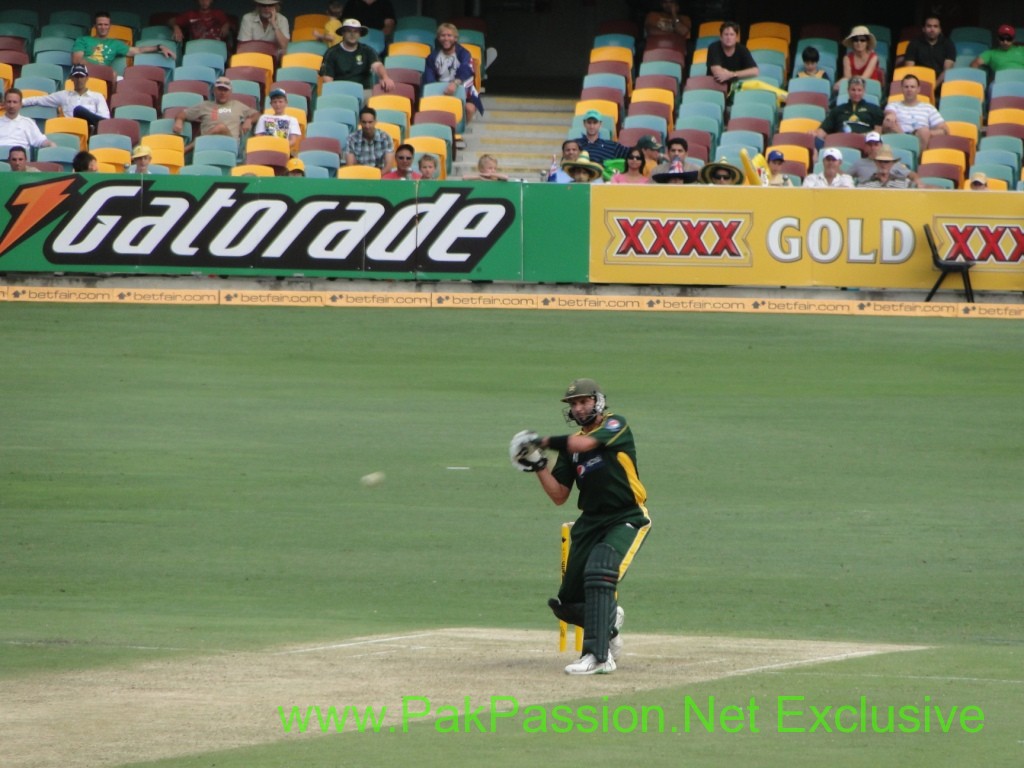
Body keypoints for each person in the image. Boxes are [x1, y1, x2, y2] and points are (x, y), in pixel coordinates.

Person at [513, 378, 652, 676]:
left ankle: (598, 656)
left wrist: (543, 441)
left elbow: (585, 443)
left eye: (584, 401)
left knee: (599, 571)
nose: (578, 408)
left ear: (598, 402)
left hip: (626, 515)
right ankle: (609, 626)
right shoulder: (570, 450)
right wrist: (538, 464)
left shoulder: (615, 426)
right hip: (590, 522)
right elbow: (559, 495)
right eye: (574, 404)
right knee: (569, 602)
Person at [172, 77, 260, 153]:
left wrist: (249, 120)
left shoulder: (237, 105)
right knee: (219, 128)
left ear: (230, 92)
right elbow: (183, 113)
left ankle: (186, 150)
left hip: (229, 144)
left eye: (225, 90)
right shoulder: (205, 105)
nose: (222, 93)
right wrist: (179, 120)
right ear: (214, 91)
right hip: (207, 144)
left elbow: (257, 114)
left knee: (220, 127)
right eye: (220, 89)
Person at [423, 23, 484, 124]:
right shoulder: (432, 57)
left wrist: (455, 83)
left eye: (449, 35)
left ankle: (458, 131)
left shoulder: (464, 54)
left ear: (455, 38)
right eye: (443, 35)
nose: (446, 38)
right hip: (441, 90)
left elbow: (466, 70)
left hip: (463, 88)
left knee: (469, 109)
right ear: (438, 38)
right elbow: (430, 79)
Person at [22, 64, 109, 133]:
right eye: (76, 76)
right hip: (70, 129)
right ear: (71, 78)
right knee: (78, 110)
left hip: (91, 130)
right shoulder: (64, 95)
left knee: (80, 111)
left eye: (81, 76)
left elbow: (105, 119)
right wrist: (21, 102)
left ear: (87, 78)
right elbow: (41, 99)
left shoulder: (97, 96)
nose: (79, 80)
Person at [319, 19, 395, 95]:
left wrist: (385, 77)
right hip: (340, 91)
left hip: (363, 91)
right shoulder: (331, 52)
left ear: (360, 34)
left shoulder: (367, 50)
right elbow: (328, 80)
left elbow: (378, 66)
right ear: (343, 33)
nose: (353, 34)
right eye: (349, 31)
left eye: (356, 31)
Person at [73, 12, 175, 66]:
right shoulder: (83, 40)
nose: (103, 27)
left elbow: (137, 50)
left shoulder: (115, 44)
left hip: (104, 76)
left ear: (109, 26)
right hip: (83, 73)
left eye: (106, 24)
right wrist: (99, 68)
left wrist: (159, 47)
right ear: (94, 26)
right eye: (100, 24)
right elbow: (77, 60)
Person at [813, 77, 885, 148]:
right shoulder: (837, 110)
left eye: (859, 90)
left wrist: (860, 136)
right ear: (848, 90)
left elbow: (877, 132)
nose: (856, 93)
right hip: (841, 143)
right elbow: (823, 131)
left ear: (864, 91)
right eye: (853, 90)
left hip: (864, 143)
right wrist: (814, 134)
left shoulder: (874, 109)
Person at [882, 73, 947, 152]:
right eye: (906, 87)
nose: (909, 90)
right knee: (888, 121)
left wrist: (926, 133)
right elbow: (889, 115)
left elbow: (945, 130)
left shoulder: (928, 108)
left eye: (912, 87)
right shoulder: (893, 105)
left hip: (921, 140)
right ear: (902, 89)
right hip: (898, 136)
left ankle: (917, 160)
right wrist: (891, 117)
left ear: (918, 89)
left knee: (923, 132)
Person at [902, 16, 957, 85]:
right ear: (923, 29)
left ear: (940, 29)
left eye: (935, 26)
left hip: (941, 83)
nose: (932, 29)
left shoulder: (948, 44)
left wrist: (934, 86)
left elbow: (947, 70)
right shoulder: (914, 44)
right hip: (919, 82)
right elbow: (909, 69)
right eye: (929, 26)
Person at [850, 131, 915, 184]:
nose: (873, 148)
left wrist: (918, 182)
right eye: (870, 145)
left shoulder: (892, 162)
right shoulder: (859, 163)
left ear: (881, 146)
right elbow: (847, 176)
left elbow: (911, 174)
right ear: (865, 147)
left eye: (876, 145)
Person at [706, 21, 759, 86]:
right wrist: (739, 74)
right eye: (726, 34)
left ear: (736, 37)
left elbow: (755, 71)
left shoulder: (742, 49)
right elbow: (718, 73)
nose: (729, 38)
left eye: (732, 34)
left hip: (735, 86)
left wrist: (732, 74)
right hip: (716, 86)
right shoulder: (714, 47)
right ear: (721, 37)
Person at [254, 88, 302, 156]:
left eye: (280, 102)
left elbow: (293, 140)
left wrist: (278, 147)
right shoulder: (264, 118)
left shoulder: (292, 120)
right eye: (275, 102)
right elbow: (258, 137)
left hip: (283, 150)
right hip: (266, 149)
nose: (277, 105)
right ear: (271, 104)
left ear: (286, 103)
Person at [345, 106, 394, 170]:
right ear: (360, 122)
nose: (367, 126)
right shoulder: (352, 139)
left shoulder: (385, 138)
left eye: (370, 122)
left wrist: (377, 178)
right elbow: (350, 166)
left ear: (375, 122)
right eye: (364, 122)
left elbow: (388, 165)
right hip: (359, 176)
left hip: (380, 175)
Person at [839, 26, 884, 92]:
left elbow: (864, 78)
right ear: (852, 42)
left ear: (867, 42)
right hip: (853, 90)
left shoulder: (873, 57)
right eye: (855, 40)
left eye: (862, 40)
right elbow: (847, 79)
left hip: (870, 90)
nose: (859, 43)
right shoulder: (847, 58)